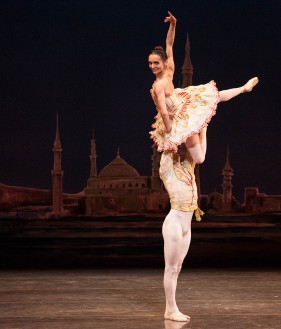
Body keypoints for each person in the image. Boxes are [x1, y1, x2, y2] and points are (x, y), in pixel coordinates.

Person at [148, 12, 259, 322]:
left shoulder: (169, 71)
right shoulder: (157, 88)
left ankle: (243, 89)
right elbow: (162, 111)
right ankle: (170, 309)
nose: (154, 67)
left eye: (156, 63)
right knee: (199, 156)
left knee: (210, 99)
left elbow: (170, 46)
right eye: (151, 65)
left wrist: (173, 25)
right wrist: (175, 131)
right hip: (174, 121)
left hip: (182, 105)